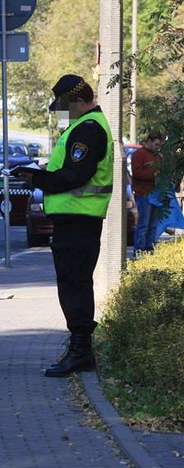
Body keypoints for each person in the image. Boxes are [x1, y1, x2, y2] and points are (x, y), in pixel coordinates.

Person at [14, 74, 113, 377]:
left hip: (78, 220)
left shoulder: (88, 130)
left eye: (64, 106)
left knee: (74, 285)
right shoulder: (83, 127)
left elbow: (75, 175)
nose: (60, 112)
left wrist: (37, 178)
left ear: (81, 101)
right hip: (76, 219)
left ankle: (80, 352)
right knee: (75, 284)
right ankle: (80, 350)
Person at [131, 132, 163, 252]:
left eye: (159, 145)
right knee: (143, 224)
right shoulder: (139, 154)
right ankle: (139, 249)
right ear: (149, 141)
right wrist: (153, 175)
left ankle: (150, 248)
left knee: (153, 225)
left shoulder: (157, 156)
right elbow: (137, 173)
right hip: (143, 194)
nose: (157, 147)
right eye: (156, 144)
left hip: (156, 194)